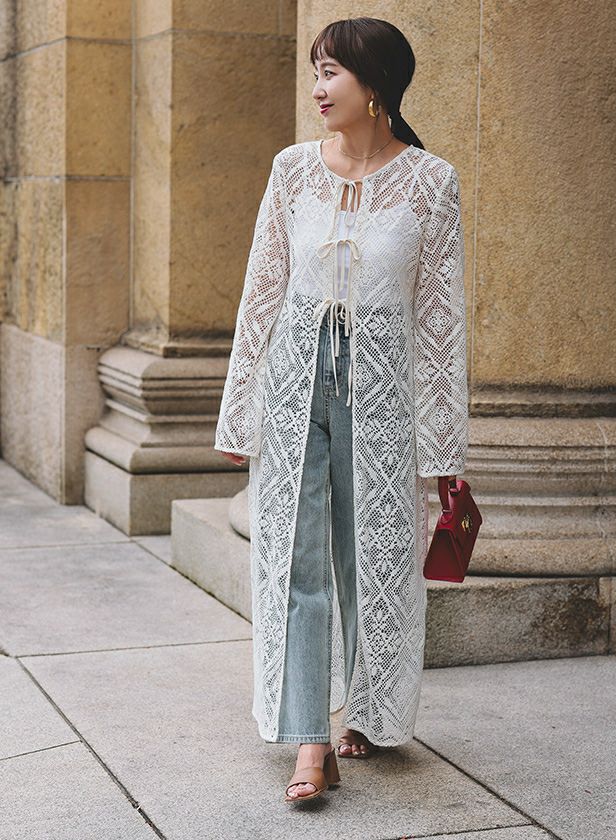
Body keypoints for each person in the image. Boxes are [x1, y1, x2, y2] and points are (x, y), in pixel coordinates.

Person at [215, 16, 469, 803]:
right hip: (296, 384)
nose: (318, 88)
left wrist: (444, 449)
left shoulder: (431, 182)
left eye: (332, 72)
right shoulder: (292, 170)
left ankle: (366, 708)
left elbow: (441, 320)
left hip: (384, 392)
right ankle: (309, 739)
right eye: (316, 71)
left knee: (375, 558)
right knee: (296, 558)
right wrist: (239, 410)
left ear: (377, 85)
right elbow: (262, 290)